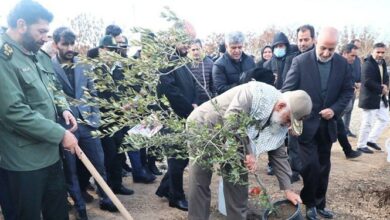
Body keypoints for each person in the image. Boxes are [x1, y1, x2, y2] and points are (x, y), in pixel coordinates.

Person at [0, 1, 80, 219]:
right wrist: (60, 133)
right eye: (42, 31)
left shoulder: (37, 54)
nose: (46, 37)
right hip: (23, 161)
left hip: (50, 153)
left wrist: (63, 108)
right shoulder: (3, 56)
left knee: (57, 212)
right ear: (21, 24)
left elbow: (52, 87)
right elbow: (13, 112)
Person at [187, 81, 311, 220]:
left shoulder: (279, 119)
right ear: (280, 106)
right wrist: (248, 152)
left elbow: (279, 154)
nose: (288, 125)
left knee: (238, 185)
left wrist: (288, 190)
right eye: (288, 119)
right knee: (200, 181)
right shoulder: (254, 93)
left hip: (237, 139)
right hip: (205, 127)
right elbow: (232, 120)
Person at [282, 27, 354, 220]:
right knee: (311, 166)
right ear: (316, 42)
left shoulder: (342, 64)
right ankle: (310, 203)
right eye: (323, 48)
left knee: (324, 166)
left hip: (328, 125)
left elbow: (347, 91)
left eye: (331, 49)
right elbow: (287, 92)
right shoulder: (300, 62)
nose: (326, 53)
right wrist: (289, 118)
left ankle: (320, 203)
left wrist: (335, 109)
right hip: (305, 126)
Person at [52, 27, 120, 218]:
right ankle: (80, 207)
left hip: (89, 124)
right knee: (71, 170)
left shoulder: (84, 64)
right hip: (66, 127)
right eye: (65, 44)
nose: (69, 47)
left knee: (99, 163)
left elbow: (93, 93)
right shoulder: (49, 66)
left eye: (72, 43)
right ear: (56, 44)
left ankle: (106, 199)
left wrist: (95, 118)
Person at [356, 43, 389, 154]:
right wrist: (381, 88)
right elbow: (367, 82)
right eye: (378, 52)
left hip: (380, 97)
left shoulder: (383, 62)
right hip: (369, 98)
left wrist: (386, 85)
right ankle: (361, 145)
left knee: (384, 119)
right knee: (367, 122)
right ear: (372, 52)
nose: (380, 54)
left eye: (382, 52)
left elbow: (386, 77)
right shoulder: (367, 64)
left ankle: (371, 140)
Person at [337, 43, 362, 159]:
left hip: (336, 105)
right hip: (332, 103)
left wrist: (353, 85)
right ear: (345, 53)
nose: (354, 58)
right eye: (352, 55)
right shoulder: (335, 64)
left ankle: (348, 151)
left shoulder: (348, 65)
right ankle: (348, 151)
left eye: (355, 56)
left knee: (339, 127)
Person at [343, 39, 363, 137]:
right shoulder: (343, 60)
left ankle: (346, 130)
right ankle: (340, 129)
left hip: (354, 88)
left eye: (359, 48)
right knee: (346, 108)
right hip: (347, 88)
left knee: (350, 110)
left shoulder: (357, 60)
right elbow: (347, 75)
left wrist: (359, 82)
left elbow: (358, 72)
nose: (358, 49)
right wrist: (352, 84)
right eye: (356, 47)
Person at [187, 39, 215, 105]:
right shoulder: (186, 64)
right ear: (189, 50)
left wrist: (214, 97)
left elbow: (213, 84)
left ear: (201, 49)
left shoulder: (210, 63)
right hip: (192, 103)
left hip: (208, 101)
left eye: (198, 49)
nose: (196, 52)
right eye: (193, 50)